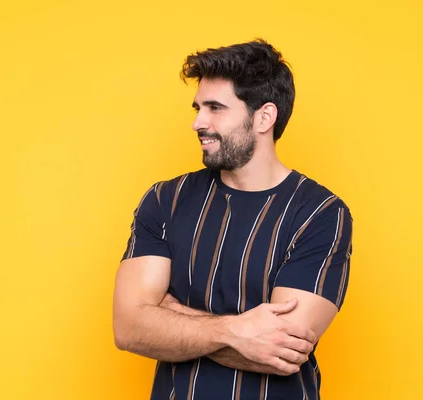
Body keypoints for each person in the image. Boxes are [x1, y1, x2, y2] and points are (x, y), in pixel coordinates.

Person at [113, 38, 353, 400]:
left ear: (264, 117)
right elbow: (128, 327)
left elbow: (280, 351)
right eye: (197, 107)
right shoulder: (165, 200)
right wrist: (234, 331)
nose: (197, 122)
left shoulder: (319, 213)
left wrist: (167, 313)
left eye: (215, 107)